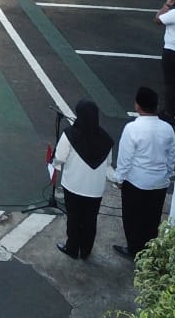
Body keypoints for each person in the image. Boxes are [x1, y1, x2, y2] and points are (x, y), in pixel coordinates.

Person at [111, 86, 175, 260]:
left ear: (138, 106)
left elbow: (125, 158)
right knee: (152, 217)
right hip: (160, 182)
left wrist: (119, 178)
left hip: (136, 182)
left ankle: (134, 249)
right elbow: (171, 156)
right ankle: (148, 249)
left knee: (132, 217)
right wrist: (168, 174)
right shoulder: (167, 128)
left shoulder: (132, 128)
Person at [52, 99, 114, 260]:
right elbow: (108, 163)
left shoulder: (70, 135)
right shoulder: (106, 139)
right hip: (95, 189)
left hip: (73, 185)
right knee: (90, 219)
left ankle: (72, 248)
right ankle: (86, 250)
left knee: (74, 218)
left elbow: (59, 157)